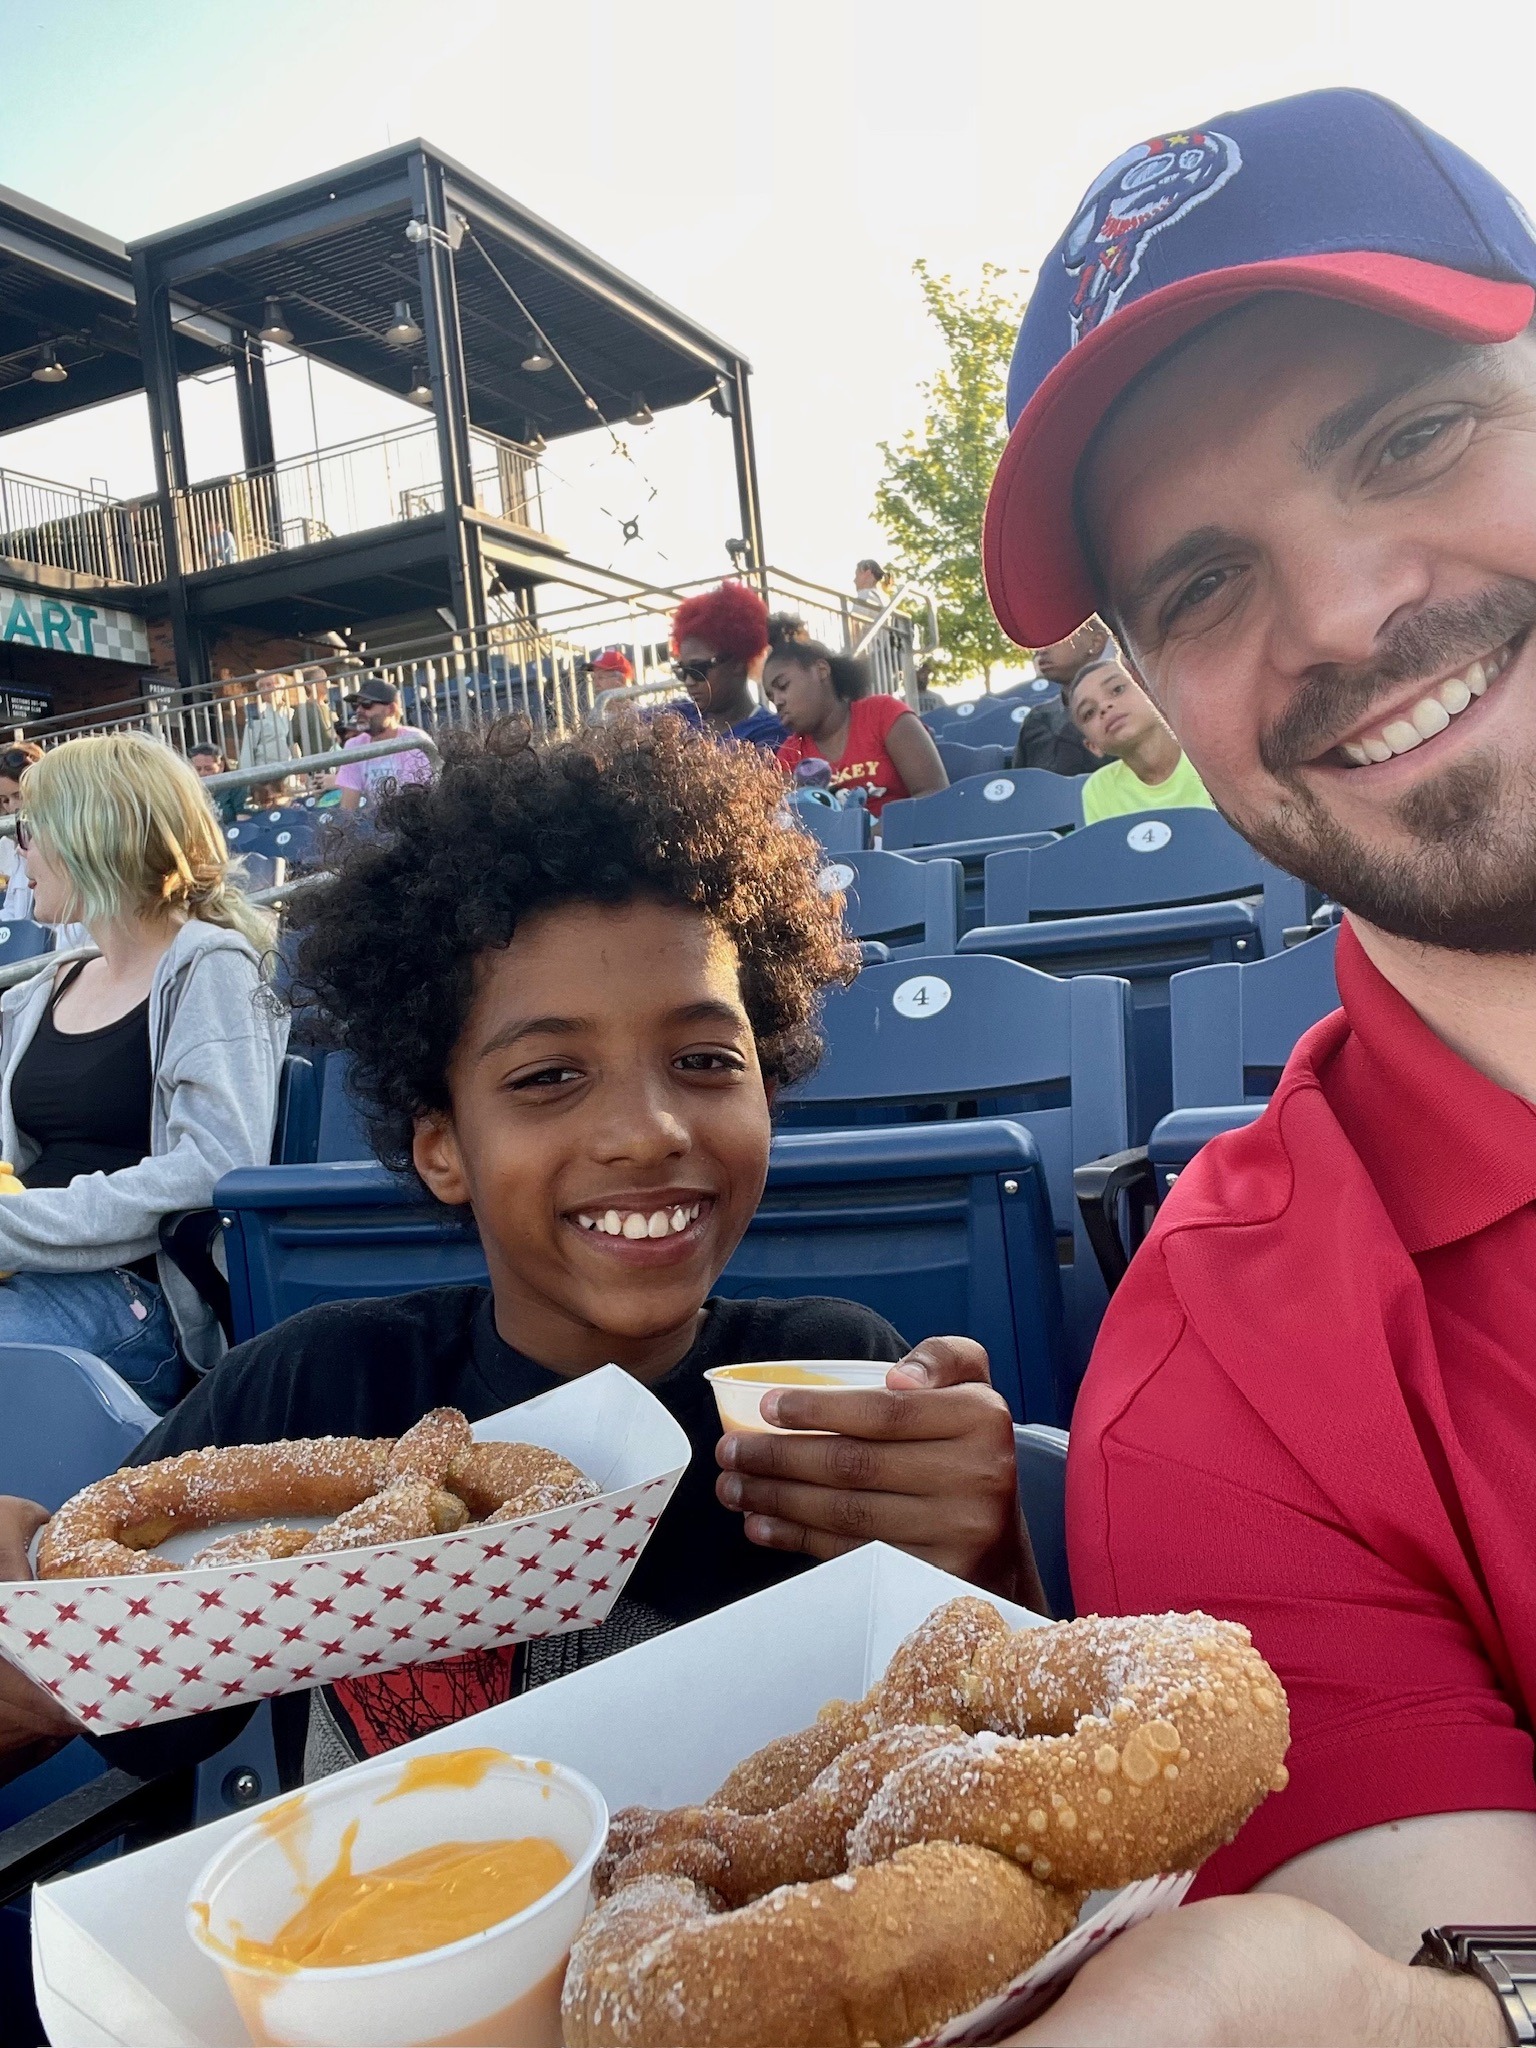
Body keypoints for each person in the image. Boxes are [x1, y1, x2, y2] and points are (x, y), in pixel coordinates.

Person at [973, 85, 1536, 2044]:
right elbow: (1480, 1977)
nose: (1348, 614)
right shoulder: (1221, 1391)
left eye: (1414, 434)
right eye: (1205, 583)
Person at [0, 719, 1034, 1783]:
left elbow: (1001, 1766)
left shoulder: (832, 1395)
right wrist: (27, 1644)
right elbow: (100, 1702)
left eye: (704, 1059)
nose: (646, 1131)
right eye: (548, 1077)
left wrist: (995, 1564)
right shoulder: (308, 1388)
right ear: (442, 1145)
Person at [0, 733, 286, 1412]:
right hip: (29, 1272)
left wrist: (14, 1225)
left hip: (136, 1297)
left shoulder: (212, 968)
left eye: (31, 829)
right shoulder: (45, 988)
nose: (20, 848)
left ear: (93, 833)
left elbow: (214, 1165)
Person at [767, 639, 948, 815]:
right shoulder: (788, 756)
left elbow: (935, 795)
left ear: (821, 670)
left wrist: (867, 831)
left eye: (783, 686)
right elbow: (786, 823)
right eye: (771, 697)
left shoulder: (883, 713)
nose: (777, 701)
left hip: (904, 835)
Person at [1066, 656, 1214, 824]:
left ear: (1151, 691)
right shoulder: (1098, 789)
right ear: (1092, 746)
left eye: (1117, 689)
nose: (1104, 707)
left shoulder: (1210, 756)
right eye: (1089, 712)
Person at [670, 581, 785, 749]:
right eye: (682, 671)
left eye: (698, 669)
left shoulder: (771, 735)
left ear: (737, 663)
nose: (689, 681)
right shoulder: (679, 718)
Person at [1009, 623, 1106, 777]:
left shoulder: (1129, 707)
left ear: (1095, 643)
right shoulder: (1036, 720)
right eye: (1038, 640)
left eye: (1053, 637)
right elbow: (1024, 785)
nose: (1041, 649)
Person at [335, 678, 434, 812]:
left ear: (391, 709)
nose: (359, 710)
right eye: (355, 705)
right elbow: (348, 808)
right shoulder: (354, 746)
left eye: (367, 704)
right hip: (376, 821)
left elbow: (417, 799)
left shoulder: (414, 741)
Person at [236, 669, 299, 790]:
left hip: (290, 773)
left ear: (281, 687)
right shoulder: (257, 713)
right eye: (261, 686)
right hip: (267, 775)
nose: (265, 689)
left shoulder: (291, 712)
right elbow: (248, 747)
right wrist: (247, 780)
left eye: (269, 684)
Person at [0, 742, 42, 919]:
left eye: (18, 795)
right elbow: (12, 910)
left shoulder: (61, 842)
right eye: (5, 800)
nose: (13, 807)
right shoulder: (17, 844)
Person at [188, 741, 241, 830]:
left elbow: (243, 822)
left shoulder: (235, 786)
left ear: (221, 766)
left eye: (208, 769)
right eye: (198, 769)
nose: (202, 773)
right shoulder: (189, 791)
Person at [289, 666, 336, 762]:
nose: (326, 682)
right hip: (315, 763)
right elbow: (291, 739)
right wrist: (299, 764)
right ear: (309, 685)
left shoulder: (331, 708)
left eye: (326, 679)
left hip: (335, 761)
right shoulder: (303, 710)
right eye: (321, 680)